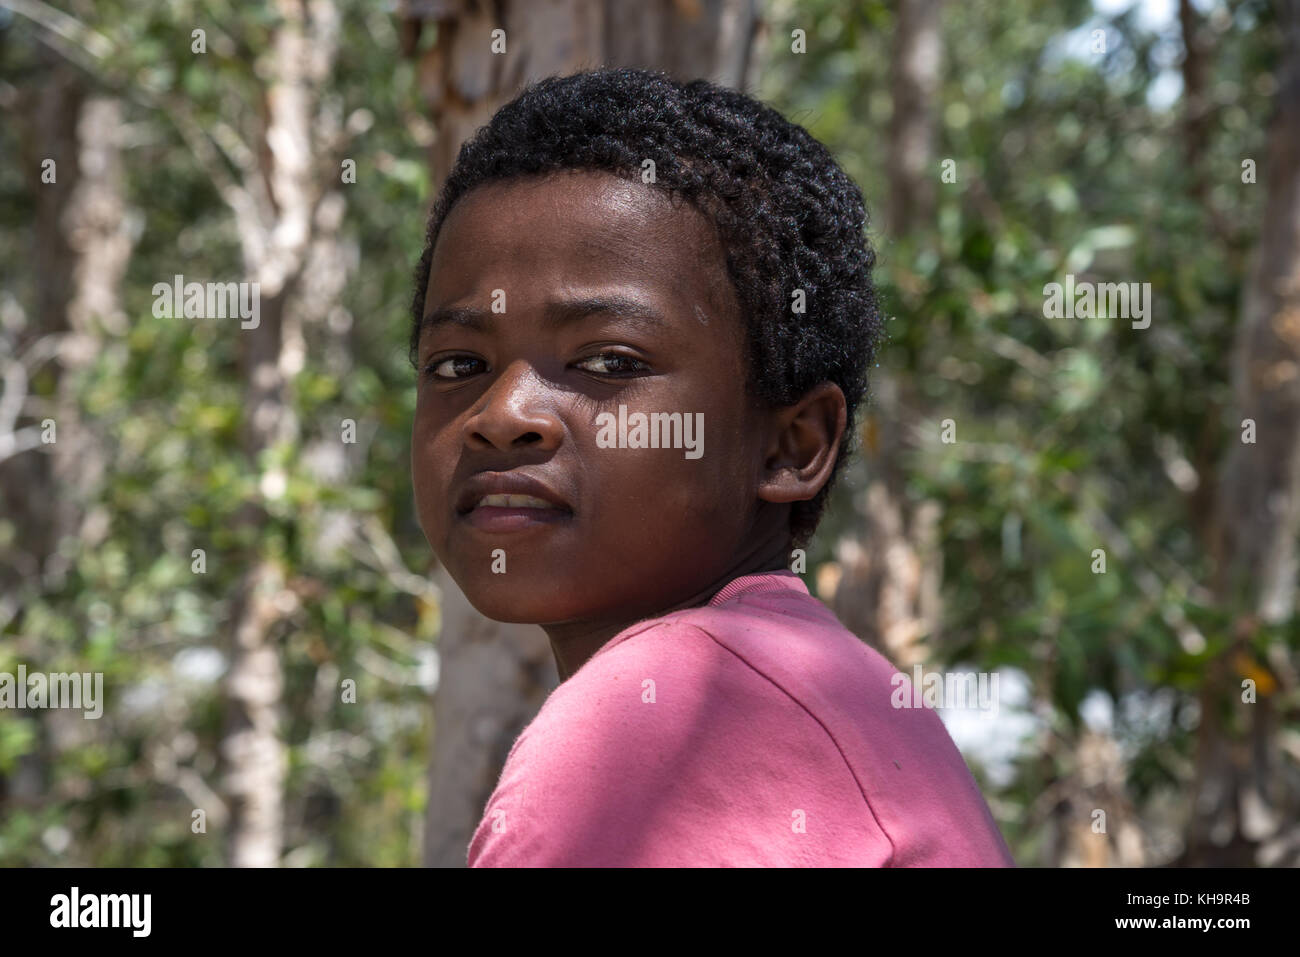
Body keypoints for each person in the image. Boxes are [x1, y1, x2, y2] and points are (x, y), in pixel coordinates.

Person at [410, 67, 1014, 867]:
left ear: (792, 444)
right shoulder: (840, 693)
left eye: (610, 361)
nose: (504, 414)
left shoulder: (653, 724)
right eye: (457, 366)